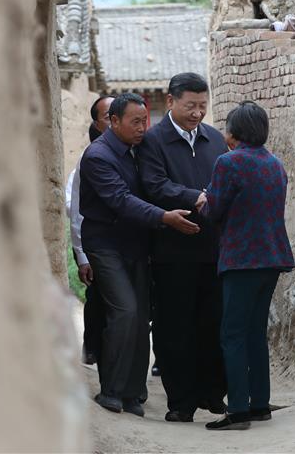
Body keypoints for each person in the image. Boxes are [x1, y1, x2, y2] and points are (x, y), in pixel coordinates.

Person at [78, 93, 200, 417]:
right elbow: (121, 200)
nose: (142, 128)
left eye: (145, 121)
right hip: (105, 245)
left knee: (141, 315)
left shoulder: (137, 151)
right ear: (113, 121)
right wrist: (164, 217)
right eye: (135, 122)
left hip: (136, 245)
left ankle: (134, 394)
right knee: (125, 311)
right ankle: (112, 391)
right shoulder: (98, 157)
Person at [137, 73, 229, 423]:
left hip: (213, 250)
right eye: (190, 105)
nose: (197, 113)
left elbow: (224, 181)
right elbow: (154, 184)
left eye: (202, 106)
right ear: (171, 101)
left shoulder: (214, 139)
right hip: (172, 253)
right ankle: (181, 401)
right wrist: (196, 197)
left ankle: (212, 393)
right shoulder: (153, 141)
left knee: (212, 323)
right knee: (174, 327)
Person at [198, 101, 295, 431]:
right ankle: (259, 403)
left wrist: (203, 200)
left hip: (241, 259)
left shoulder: (229, 162)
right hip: (272, 257)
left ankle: (238, 409)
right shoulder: (275, 164)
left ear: (234, 132)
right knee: (256, 332)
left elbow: (214, 210)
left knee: (233, 334)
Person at [67, 95, 113, 365]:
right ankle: (94, 347)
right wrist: (81, 255)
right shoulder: (90, 160)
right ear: (98, 124)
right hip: (97, 247)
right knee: (99, 300)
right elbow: (76, 211)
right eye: (109, 115)